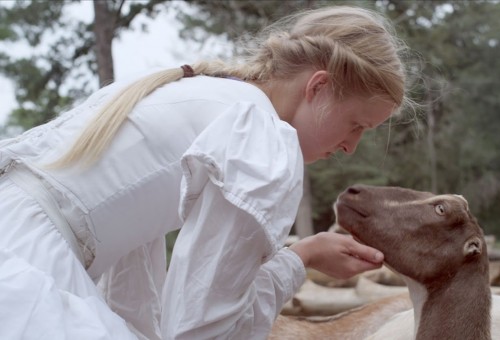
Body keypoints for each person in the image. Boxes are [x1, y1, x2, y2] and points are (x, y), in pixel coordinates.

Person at [0, 5, 409, 340]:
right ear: (318, 87)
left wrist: (305, 254)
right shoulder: (261, 137)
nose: (350, 147)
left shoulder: (197, 93)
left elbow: (136, 286)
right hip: (26, 268)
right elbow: (204, 328)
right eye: (357, 124)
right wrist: (299, 261)